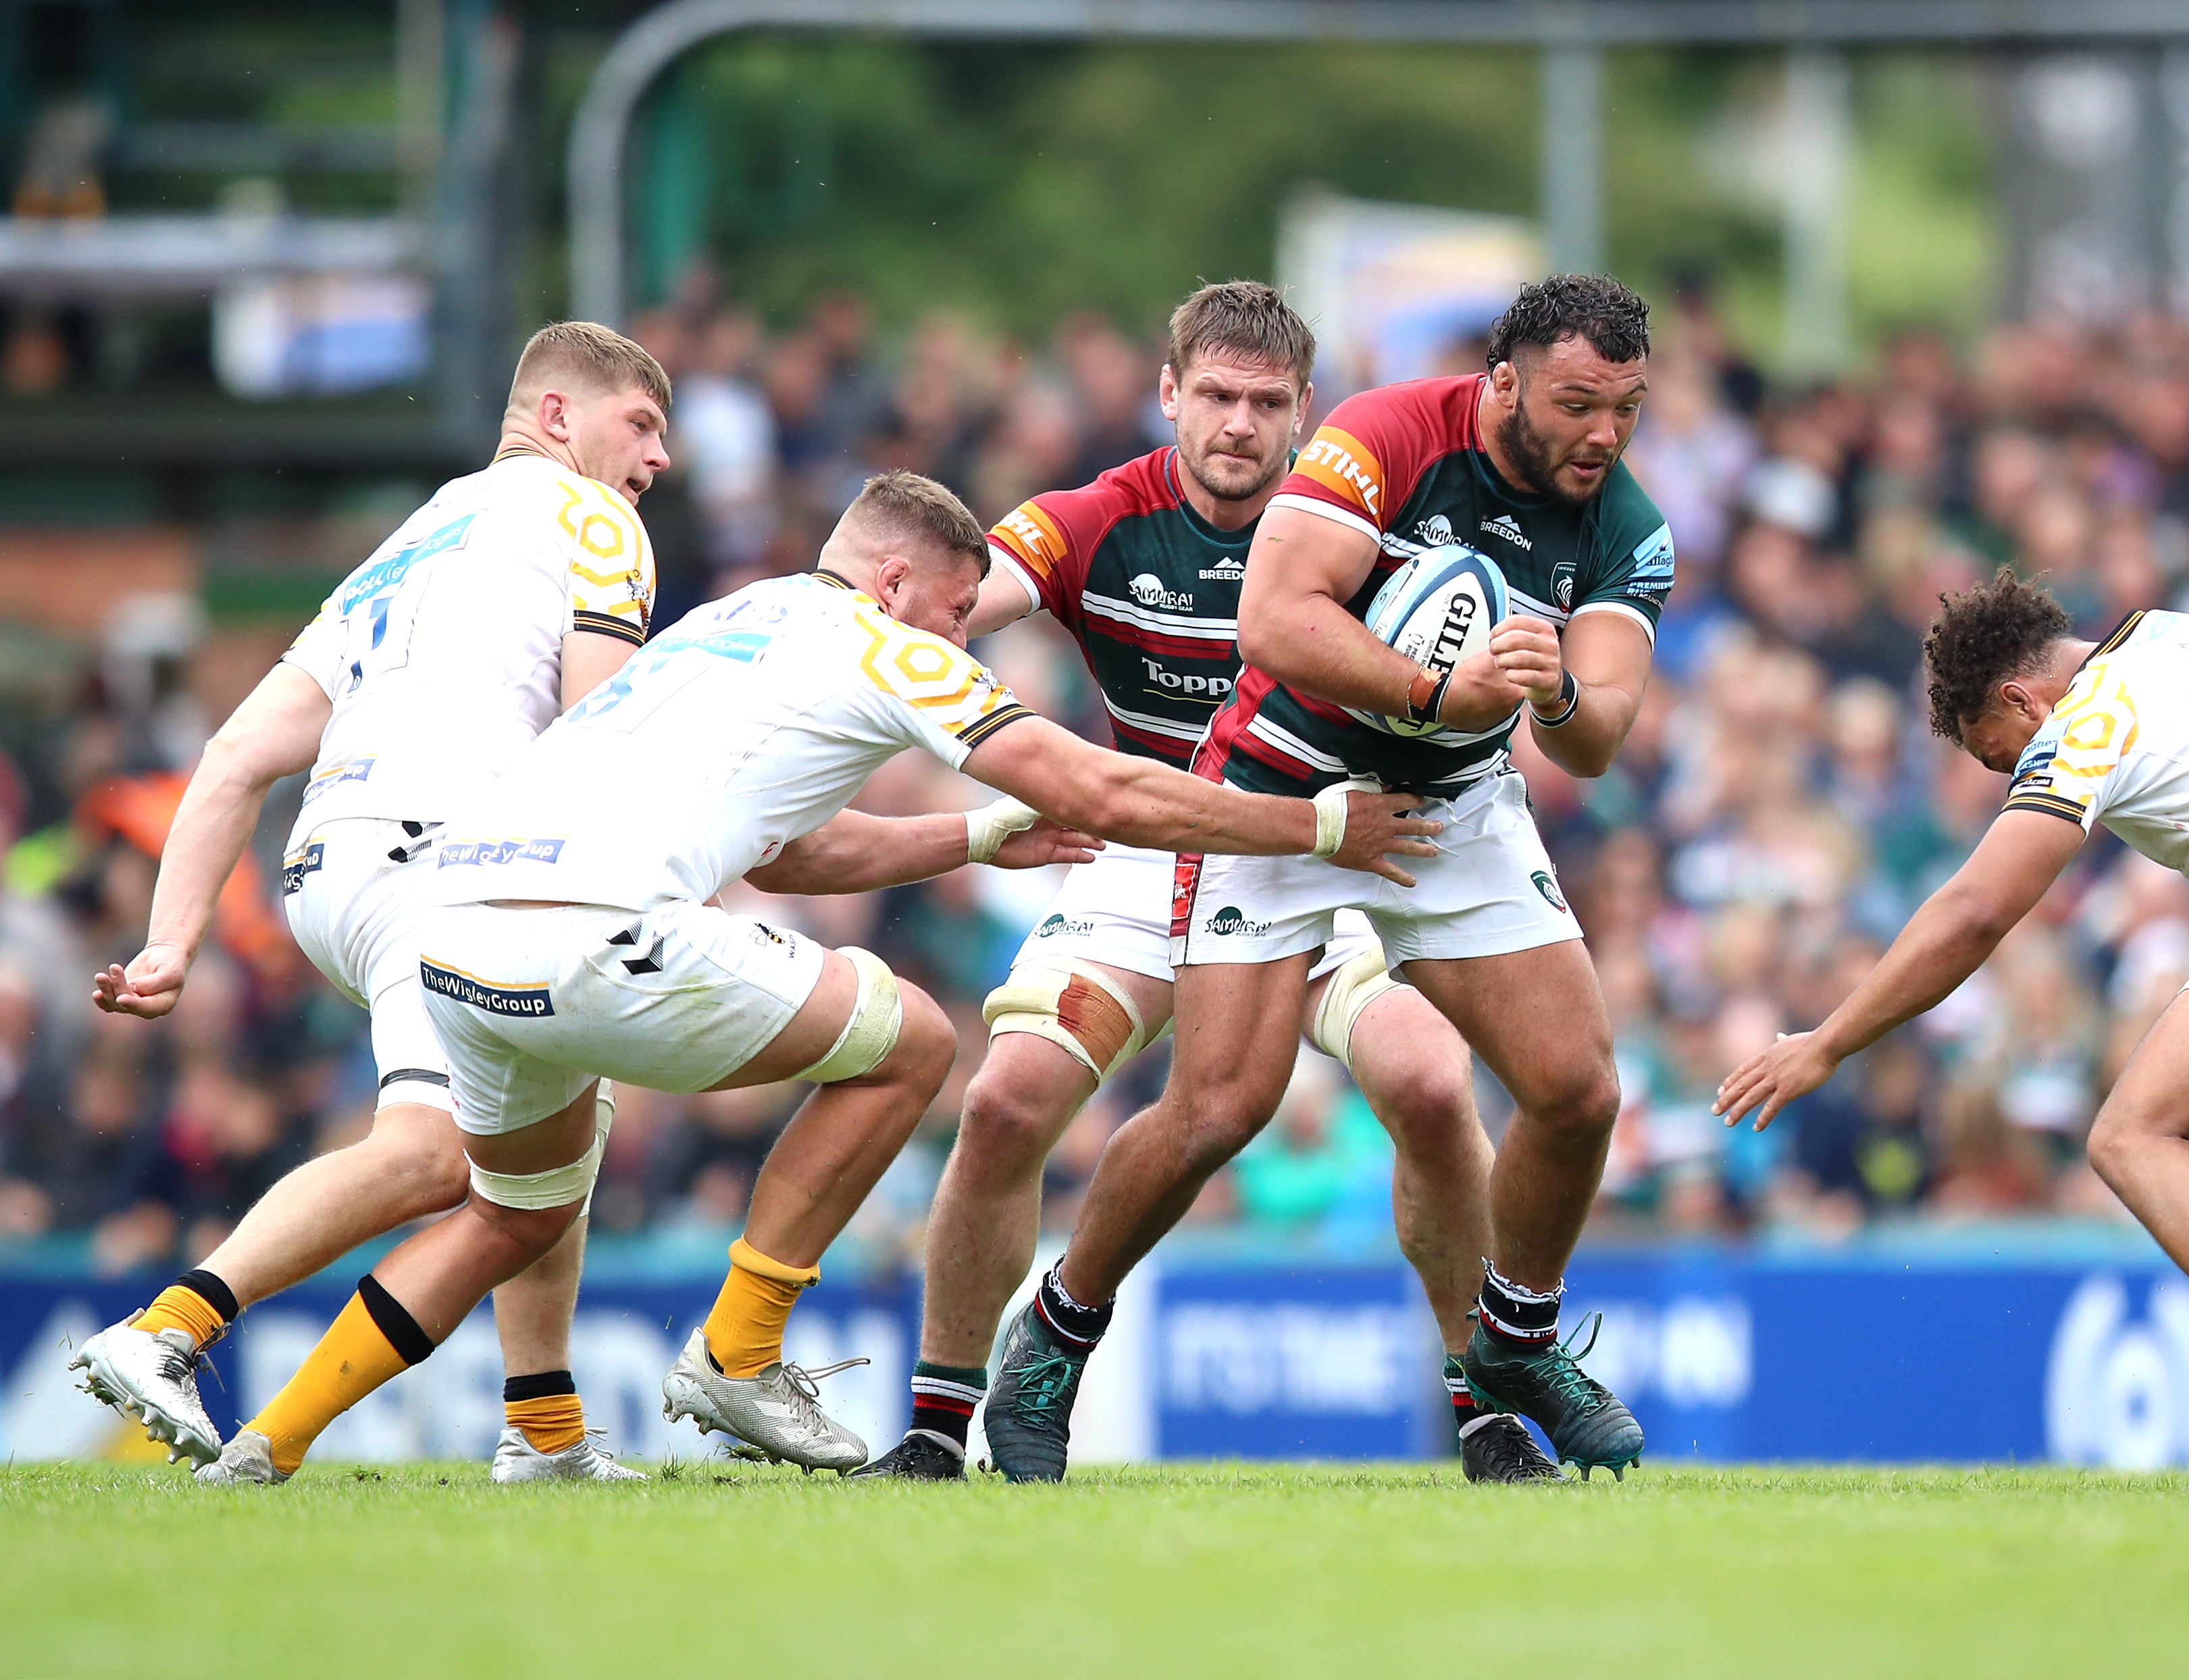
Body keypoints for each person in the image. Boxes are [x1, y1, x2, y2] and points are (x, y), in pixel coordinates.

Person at [189, 472, 1439, 1483]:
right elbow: (1102, 785)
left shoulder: (724, 622)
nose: (964, 642)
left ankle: (269, 1445)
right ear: (899, 581)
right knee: (913, 1043)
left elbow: (788, 857)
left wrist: (975, 837)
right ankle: (738, 1348)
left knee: (512, 1213)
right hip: (595, 931)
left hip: (454, 934)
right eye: (959, 615)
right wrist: (1318, 830)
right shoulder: (889, 644)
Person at [983, 274, 1674, 1482]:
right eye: (1578, 405)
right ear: (1503, 385)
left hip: (1451, 808)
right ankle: (1055, 1333)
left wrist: (1552, 689)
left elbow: (1598, 737)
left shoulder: (1626, 523)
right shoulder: (1389, 435)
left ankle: (1512, 1345)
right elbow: (1273, 621)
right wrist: (1437, 694)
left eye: (1627, 409)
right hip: (1284, 788)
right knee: (1219, 1107)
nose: (1603, 437)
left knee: (1577, 1089)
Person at [862, 282, 1535, 1485]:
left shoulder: (1362, 532)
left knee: (1434, 1089)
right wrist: (918, 627)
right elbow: (975, 601)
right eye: (1215, 395)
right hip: (1143, 853)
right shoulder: (1097, 518)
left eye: (1267, 403)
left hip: (1320, 853)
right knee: (1007, 1101)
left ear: (1305, 413)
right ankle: (934, 1423)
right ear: (1167, 395)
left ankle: (1479, 1406)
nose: (1238, 423)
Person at [1716, 576, 2189, 1492]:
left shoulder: (2088, 713)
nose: (2014, 773)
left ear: (2021, 698)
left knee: (2134, 1135)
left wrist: (1830, 1040)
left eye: (1998, 754)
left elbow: (1976, 909)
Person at [75, 322, 675, 1482]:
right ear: (557, 416)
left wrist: (170, 945)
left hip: (333, 870)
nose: (657, 460)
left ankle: (543, 1431)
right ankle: (169, 1331)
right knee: (436, 1155)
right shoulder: (598, 519)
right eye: (641, 424)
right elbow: (603, 728)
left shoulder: (409, 543)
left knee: (554, 1112)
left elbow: (239, 753)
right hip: (445, 860)